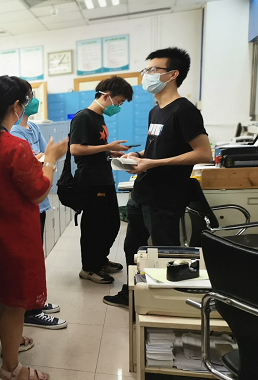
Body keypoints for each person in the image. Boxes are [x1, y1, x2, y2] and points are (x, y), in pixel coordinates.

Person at [0, 75, 68, 380]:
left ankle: (12, 342)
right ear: (17, 106)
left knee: (2, 295)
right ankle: (11, 370)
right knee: (16, 302)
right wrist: (50, 160)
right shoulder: (14, 145)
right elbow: (38, 192)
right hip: (16, 235)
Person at [103, 47, 211, 309]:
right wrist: (139, 155)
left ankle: (167, 304)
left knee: (164, 252)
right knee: (133, 247)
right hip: (142, 192)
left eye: (153, 70)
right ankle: (132, 294)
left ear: (173, 74)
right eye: (146, 69)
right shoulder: (156, 111)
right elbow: (158, 147)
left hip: (165, 197)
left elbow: (203, 153)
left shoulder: (184, 110)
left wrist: (153, 163)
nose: (147, 75)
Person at [10, 81, 66, 329]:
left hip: (40, 202)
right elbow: (37, 162)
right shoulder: (14, 133)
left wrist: (45, 159)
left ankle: (36, 302)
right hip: (29, 200)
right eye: (28, 97)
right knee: (29, 260)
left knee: (36, 256)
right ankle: (30, 310)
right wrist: (46, 159)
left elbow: (44, 155)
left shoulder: (32, 127)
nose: (33, 101)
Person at [70, 76, 133, 284]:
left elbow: (94, 148)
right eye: (119, 102)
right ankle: (89, 268)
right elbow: (75, 149)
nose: (118, 106)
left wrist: (111, 152)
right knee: (94, 226)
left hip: (104, 177)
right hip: (91, 180)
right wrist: (107, 147)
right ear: (106, 96)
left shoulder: (99, 117)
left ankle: (100, 260)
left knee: (111, 224)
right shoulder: (83, 117)